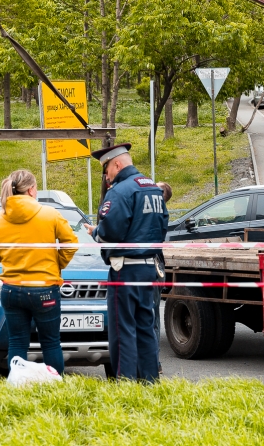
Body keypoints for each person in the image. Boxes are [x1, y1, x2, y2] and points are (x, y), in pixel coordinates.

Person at [84, 143, 169, 382]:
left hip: (125, 270)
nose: (106, 175)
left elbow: (110, 232)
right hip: (150, 268)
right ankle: (150, 381)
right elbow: (162, 226)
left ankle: (126, 383)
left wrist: (95, 232)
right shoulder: (152, 188)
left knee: (123, 331)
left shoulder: (120, 191)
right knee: (146, 328)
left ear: (117, 164)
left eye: (107, 169)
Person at [0, 169, 78, 374]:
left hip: (11, 290)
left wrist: (12, 256)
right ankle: (54, 388)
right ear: (31, 190)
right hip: (44, 288)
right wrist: (57, 263)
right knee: (51, 343)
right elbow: (71, 243)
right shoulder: (50, 214)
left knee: (17, 343)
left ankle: (18, 388)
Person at [153, 181, 173, 374]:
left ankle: (153, 361)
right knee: (152, 316)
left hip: (153, 265)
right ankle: (153, 361)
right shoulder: (160, 211)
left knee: (152, 317)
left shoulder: (157, 213)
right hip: (156, 265)